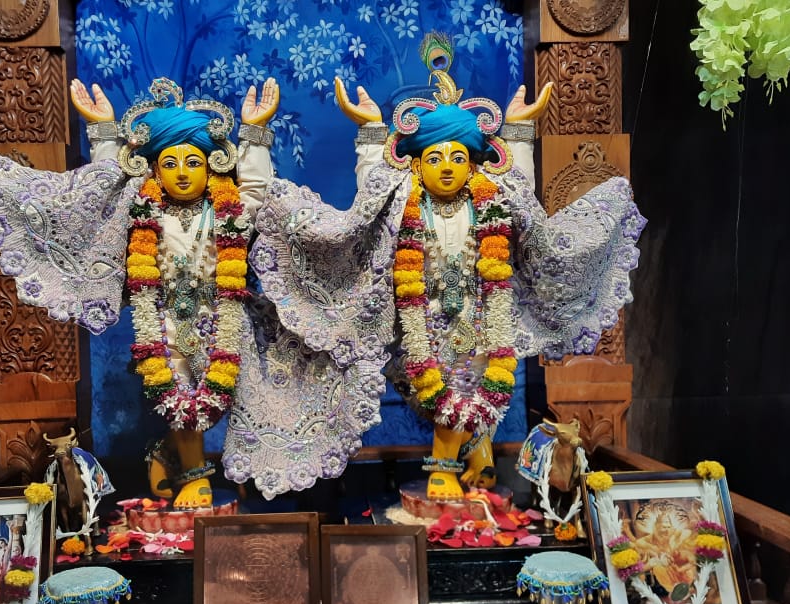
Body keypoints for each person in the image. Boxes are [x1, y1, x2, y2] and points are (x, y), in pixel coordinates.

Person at [245, 34, 646, 500]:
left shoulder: (492, 199)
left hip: (481, 317)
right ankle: (462, 459)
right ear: (416, 165)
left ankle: (456, 463)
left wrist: (519, 131)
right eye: (435, 158)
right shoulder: (402, 200)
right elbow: (368, 200)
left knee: (473, 384)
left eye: (458, 157)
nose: (448, 167)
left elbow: (522, 194)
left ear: (474, 164)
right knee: (436, 388)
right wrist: (371, 132)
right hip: (418, 318)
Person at [0, 76, 278, 507]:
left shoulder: (226, 209)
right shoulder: (142, 209)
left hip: (223, 316)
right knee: (179, 395)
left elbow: (257, 191)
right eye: (169, 163)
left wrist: (254, 134)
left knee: (224, 395)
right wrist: (102, 131)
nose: (181, 173)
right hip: (163, 319)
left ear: (211, 165)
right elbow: (106, 192)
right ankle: (195, 477)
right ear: (154, 169)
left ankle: (167, 454)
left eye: (192, 162)